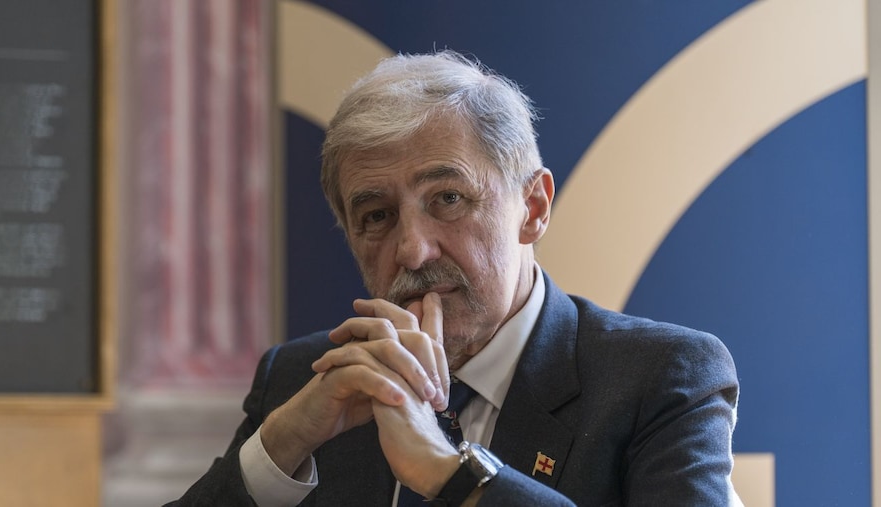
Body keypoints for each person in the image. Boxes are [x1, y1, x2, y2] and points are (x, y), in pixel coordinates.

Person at [168, 50, 740, 506]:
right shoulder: (303, 380)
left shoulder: (657, 378)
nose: (413, 251)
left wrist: (449, 472)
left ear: (533, 208)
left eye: (448, 199)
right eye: (377, 216)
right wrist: (281, 444)